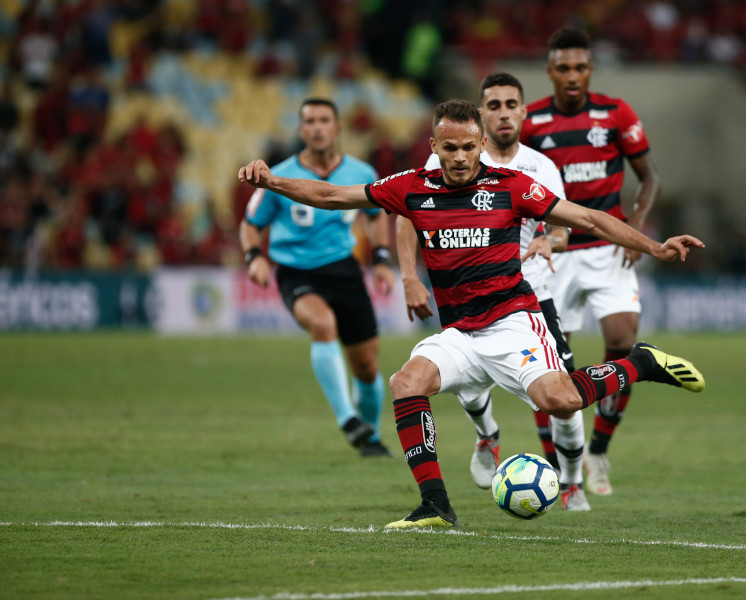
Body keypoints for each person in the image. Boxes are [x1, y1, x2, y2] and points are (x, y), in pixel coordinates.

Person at [238, 99, 706, 529]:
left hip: (513, 322)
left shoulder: (513, 186)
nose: (459, 157)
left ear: (482, 143)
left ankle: (640, 363)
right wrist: (272, 181)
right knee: (405, 384)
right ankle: (435, 504)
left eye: (467, 147)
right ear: (433, 146)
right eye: (449, 148)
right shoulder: (412, 187)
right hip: (460, 333)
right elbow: (333, 197)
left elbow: (586, 219)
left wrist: (654, 247)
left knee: (560, 401)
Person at [397, 72, 590, 511]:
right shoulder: (446, 161)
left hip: (531, 295)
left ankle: (573, 481)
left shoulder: (540, 168)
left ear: (523, 111)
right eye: (494, 105)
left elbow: (562, 228)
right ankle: (487, 435)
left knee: (563, 401)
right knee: (466, 387)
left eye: (511, 104)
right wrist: (409, 275)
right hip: (465, 299)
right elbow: (406, 211)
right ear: (482, 115)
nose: (503, 112)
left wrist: (549, 240)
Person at [520, 26, 662, 496]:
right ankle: (553, 464)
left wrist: (636, 226)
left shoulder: (615, 113)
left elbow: (649, 179)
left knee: (623, 341)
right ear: (549, 72)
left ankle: (598, 449)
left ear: (590, 69)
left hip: (606, 249)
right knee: (549, 362)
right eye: (563, 68)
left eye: (580, 67)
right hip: (554, 252)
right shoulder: (531, 121)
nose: (572, 76)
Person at [239, 98, 395, 457]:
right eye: (309, 121)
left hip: (344, 269)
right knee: (323, 325)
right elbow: (250, 224)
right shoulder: (277, 176)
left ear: (337, 128)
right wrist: (254, 257)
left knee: (368, 367)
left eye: (324, 120)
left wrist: (382, 258)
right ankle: (346, 419)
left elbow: (375, 215)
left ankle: (369, 438)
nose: (317, 127)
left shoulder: (361, 172)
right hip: (296, 271)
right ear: (301, 129)